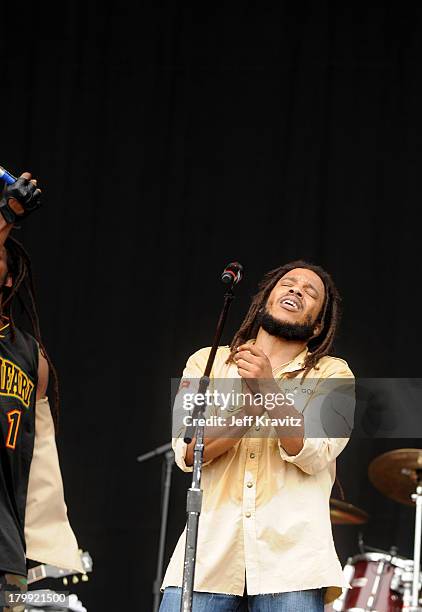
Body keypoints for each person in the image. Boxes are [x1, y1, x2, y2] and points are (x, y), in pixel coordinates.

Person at [160, 261, 355, 612]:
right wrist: (252, 408)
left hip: (293, 568)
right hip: (206, 561)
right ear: (265, 300)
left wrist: (267, 388)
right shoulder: (207, 363)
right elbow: (189, 451)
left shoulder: (334, 373)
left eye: (310, 292)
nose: (296, 289)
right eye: (287, 284)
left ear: (318, 326)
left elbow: (314, 452)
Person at [0, 173, 83, 612]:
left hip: (5, 544)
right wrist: (7, 215)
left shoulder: (31, 357)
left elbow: (42, 456)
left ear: (9, 280)